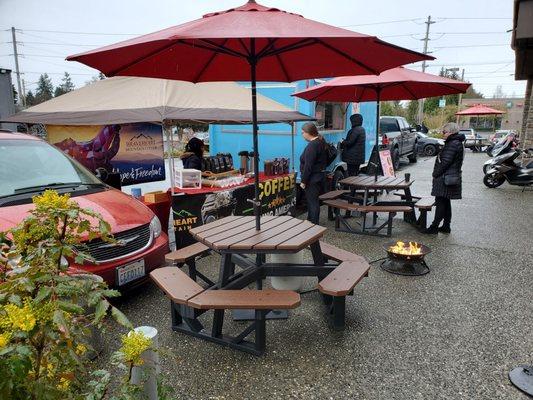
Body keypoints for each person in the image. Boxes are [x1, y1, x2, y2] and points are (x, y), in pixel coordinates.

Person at [424, 122, 465, 234]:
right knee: (446, 202)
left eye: (444, 132)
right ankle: (446, 226)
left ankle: (434, 227)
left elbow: (445, 162)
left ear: (451, 132)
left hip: (445, 178)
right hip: (450, 177)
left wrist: (435, 174)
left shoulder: (453, 144)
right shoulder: (456, 142)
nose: (443, 134)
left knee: (441, 202)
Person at [299, 122, 328, 225]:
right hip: (319, 176)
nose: (302, 134)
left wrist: (303, 181)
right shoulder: (320, 142)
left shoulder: (312, 145)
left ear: (308, 133)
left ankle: (314, 224)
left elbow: (308, 166)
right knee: (313, 200)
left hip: (312, 178)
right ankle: (310, 219)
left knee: (313, 202)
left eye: (302, 132)